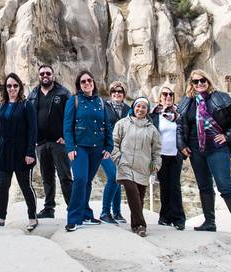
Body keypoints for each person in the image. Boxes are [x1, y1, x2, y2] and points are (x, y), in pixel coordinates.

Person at [177, 69, 231, 245]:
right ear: (191, 84)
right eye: (195, 81)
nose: (199, 84)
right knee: (204, 186)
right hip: (195, 148)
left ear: (208, 81)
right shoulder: (187, 102)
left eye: (202, 80)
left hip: (217, 147)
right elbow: (181, 125)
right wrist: (182, 145)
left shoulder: (219, 97)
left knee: (225, 186)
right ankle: (209, 222)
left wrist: (227, 135)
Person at [63, 70, 113, 232]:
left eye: (89, 80)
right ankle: (74, 218)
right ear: (79, 85)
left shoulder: (100, 102)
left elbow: (107, 125)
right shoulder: (74, 100)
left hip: (97, 148)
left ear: (93, 82)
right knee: (80, 180)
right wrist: (70, 147)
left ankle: (86, 214)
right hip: (80, 148)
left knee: (88, 181)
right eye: (83, 81)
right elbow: (67, 126)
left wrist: (109, 146)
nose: (87, 83)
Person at [0, 73, 39, 231]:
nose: (12, 88)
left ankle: (32, 217)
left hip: (21, 151)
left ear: (20, 87)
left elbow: (33, 130)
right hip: (4, 150)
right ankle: (1, 218)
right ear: (5, 88)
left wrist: (30, 152)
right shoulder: (2, 105)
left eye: (15, 85)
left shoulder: (27, 105)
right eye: (9, 86)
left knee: (25, 186)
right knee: (2, 186)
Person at [27, 64, 73, 218]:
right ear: (39, 76)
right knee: (47, 177)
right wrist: (32, 139)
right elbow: (28, 119)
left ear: (53, 75)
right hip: (40, 143)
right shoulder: (33, 94)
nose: (45, 76)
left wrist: (66, 136)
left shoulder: (63, 93)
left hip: (58, 142)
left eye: (48, 73)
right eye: (42, 74)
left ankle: (73, 208)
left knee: (65, 176)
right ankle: (49, 209)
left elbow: (71, 116)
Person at [112, 97, 161, 237]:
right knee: (131, 191)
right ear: (133, 107)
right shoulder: (122, 123)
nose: (140, 109)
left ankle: (135, 226)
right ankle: (141, 224)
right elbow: (114, 142)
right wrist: (118, 158)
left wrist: (156, 164)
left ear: (147, 110)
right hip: (125, 165)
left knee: (139, 198)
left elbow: (156, 150)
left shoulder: (152, 129)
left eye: (144, 107)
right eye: (138, 106)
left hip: (143, 167)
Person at [150, 85, 186, 230]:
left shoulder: (179, 113)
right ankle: (164, 217)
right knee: (164, 186)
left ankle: (178, 218)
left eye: (171, 94)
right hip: (161, 155)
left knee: (175, 186)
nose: (168, 97)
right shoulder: (154, 114)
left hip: (175, 154)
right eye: (165, 94)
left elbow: (184, 130)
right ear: (160, 97)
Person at [99, 81, 131, 224]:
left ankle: (117, 212)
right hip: (105, 148)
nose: (116, 94)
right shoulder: (103, 106)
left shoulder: (128, 110)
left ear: (124, 94)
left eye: (120, 91)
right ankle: (105, 212)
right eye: (114, 91)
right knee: (113, 176)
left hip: (122, 149)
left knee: (118, 178)